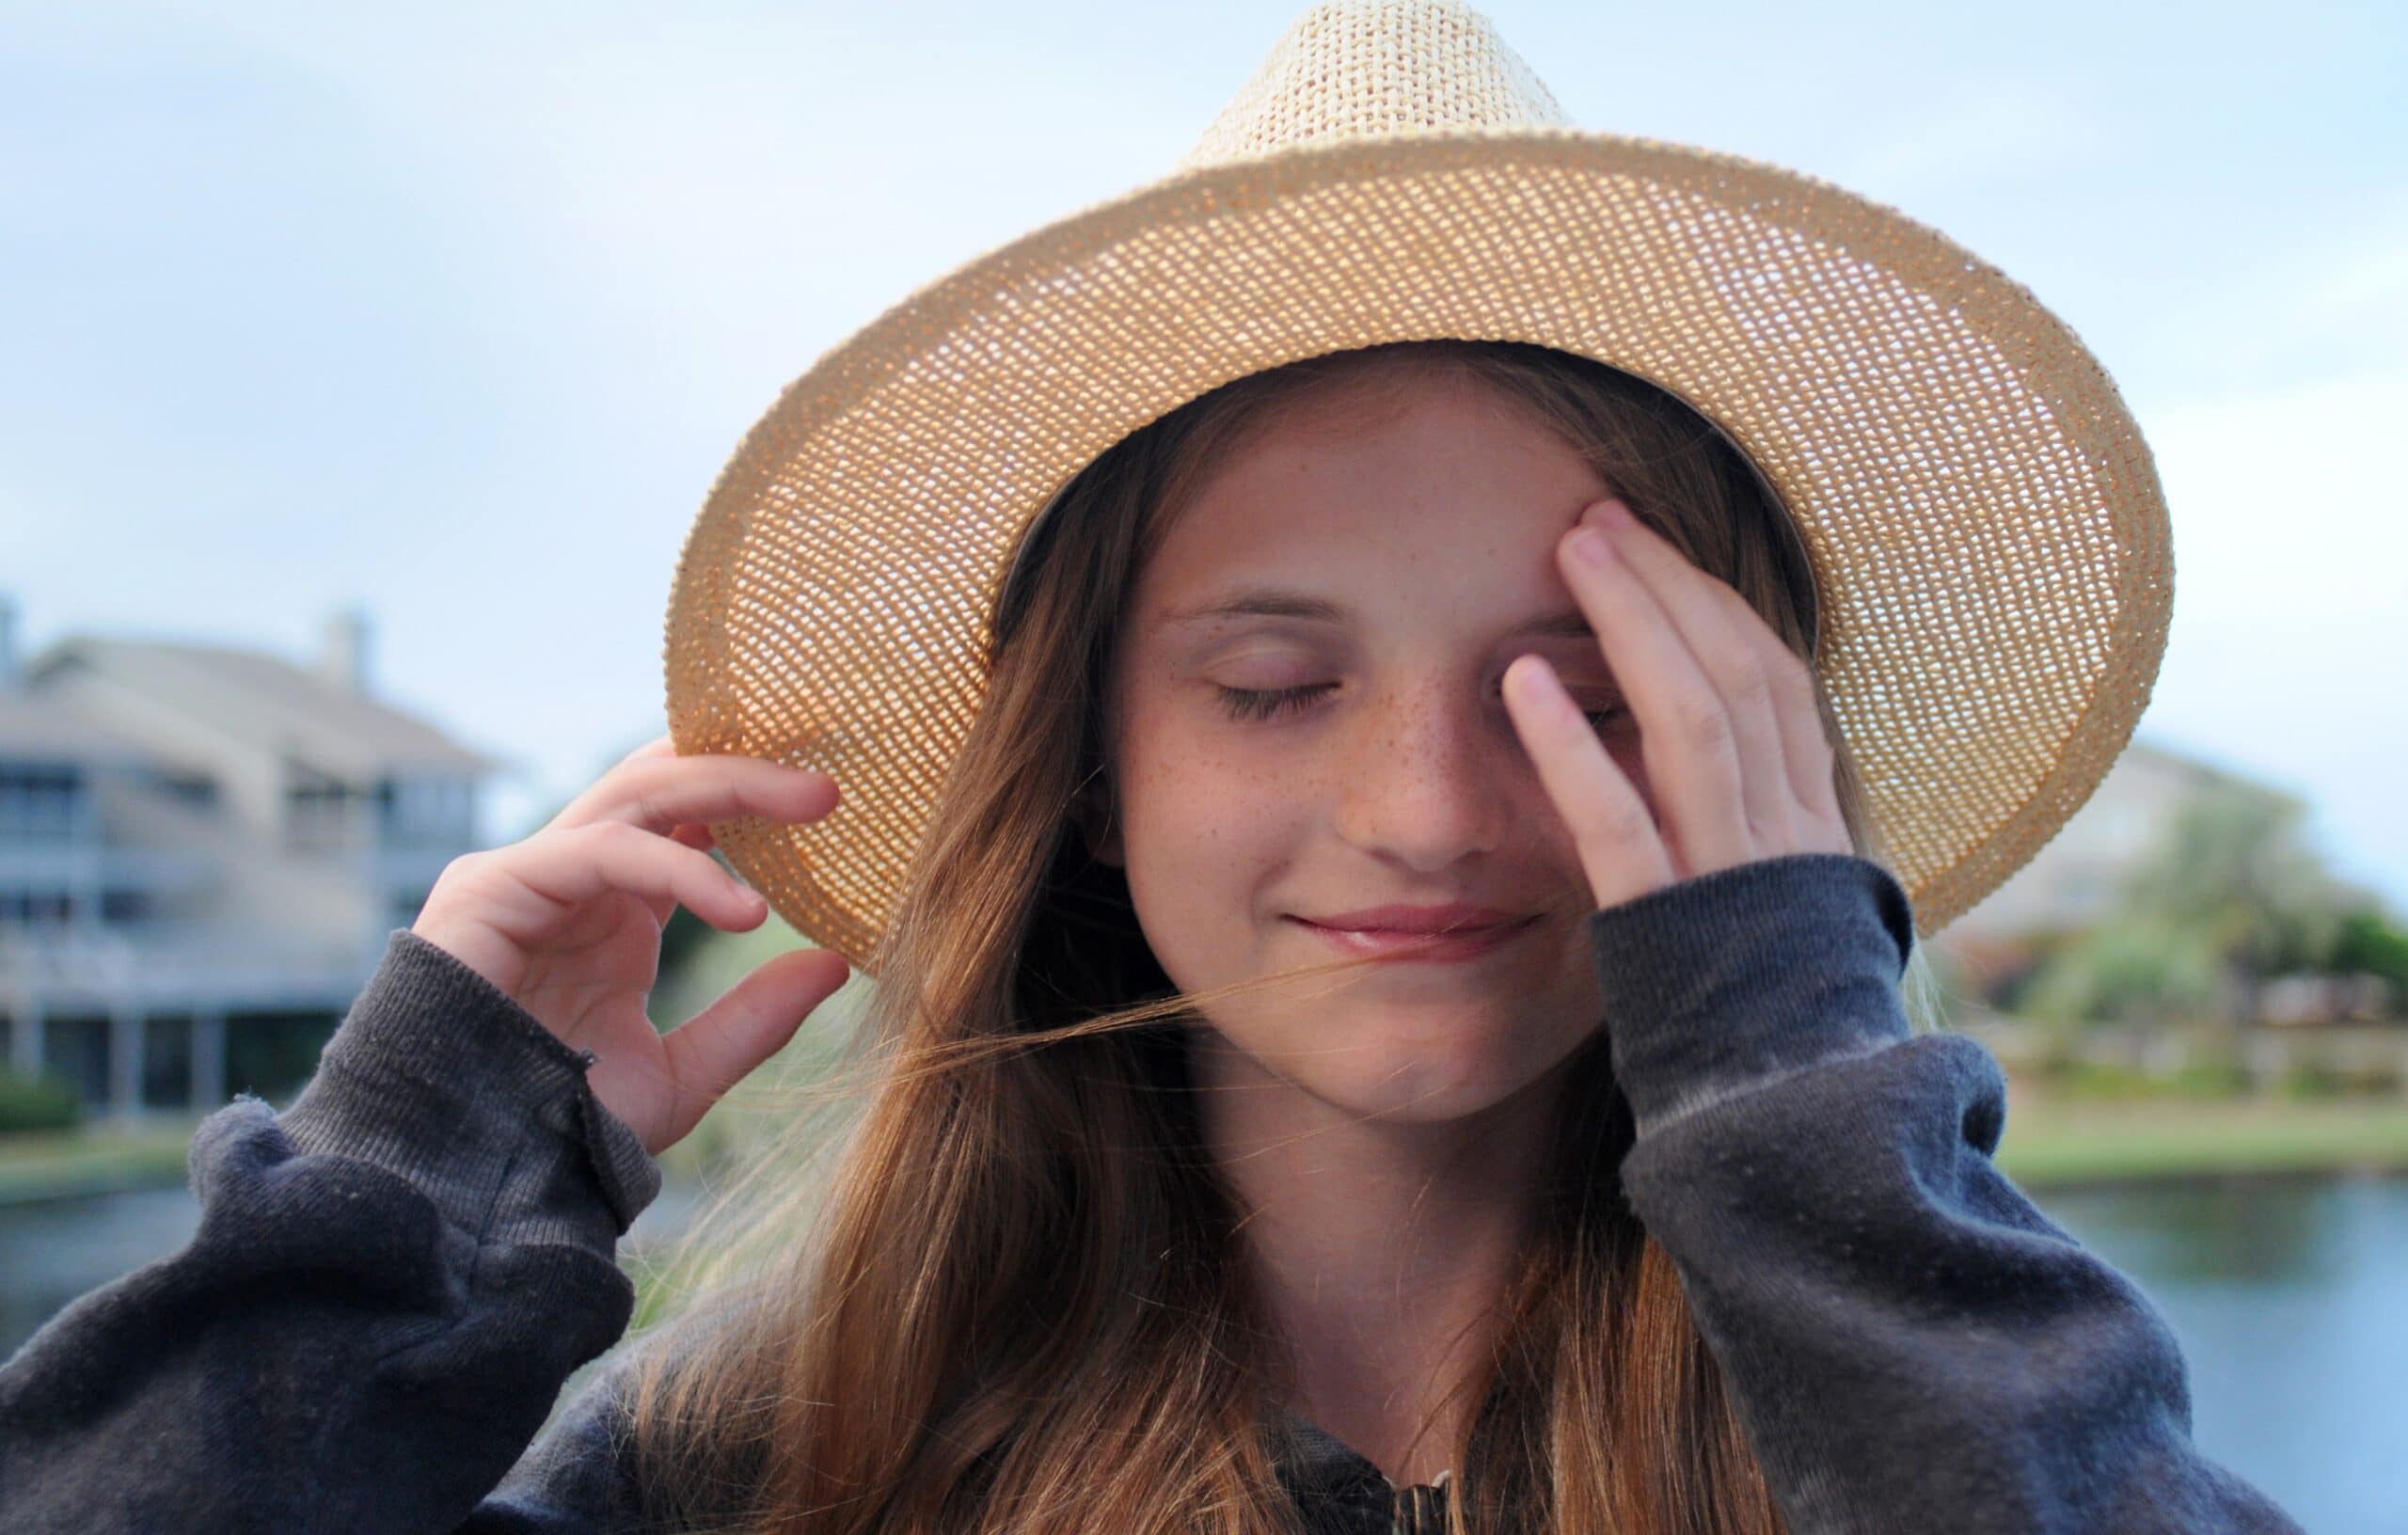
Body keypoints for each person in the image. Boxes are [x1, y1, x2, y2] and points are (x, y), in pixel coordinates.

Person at [0, 7, 2310, 1535]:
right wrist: (418, 1167)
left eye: (1583, 690)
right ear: (1089, 761)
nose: (1426, 807)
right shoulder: (763, 1460)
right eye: (1272, 683)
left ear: (1748, 776)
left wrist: (1802, 1050)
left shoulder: (1950, 1407)